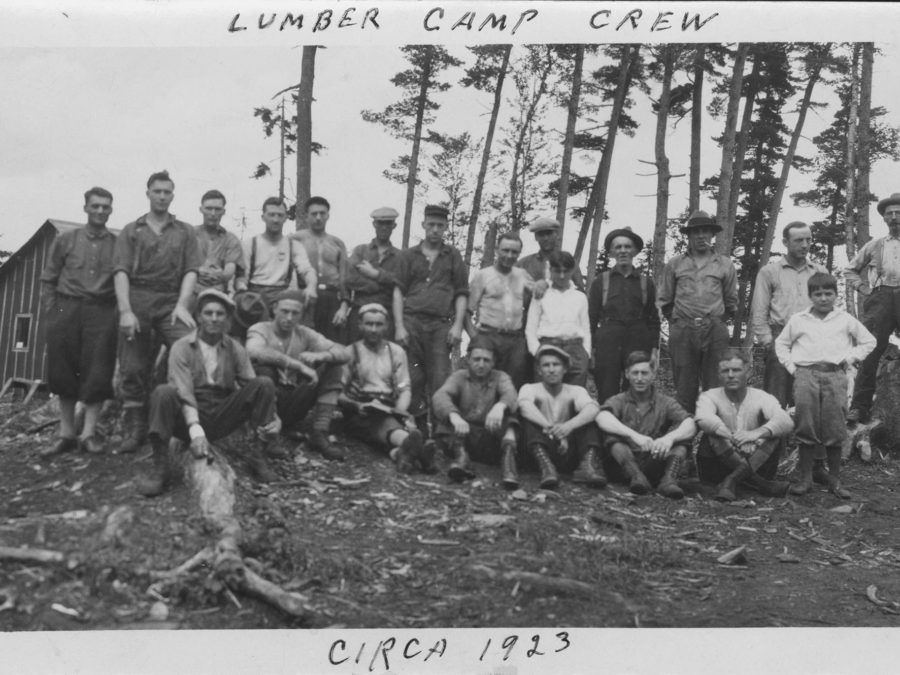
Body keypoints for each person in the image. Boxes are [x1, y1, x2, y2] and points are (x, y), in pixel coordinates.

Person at [140, 289, 280, 497]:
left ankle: (258, 454)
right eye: (208, 313)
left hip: (222, 412)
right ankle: (160, 467)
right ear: (198, 316)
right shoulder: (181, 347)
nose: (214, 319)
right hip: (190, 413)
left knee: (264, 383)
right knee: (163, 393)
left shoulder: (234, 348)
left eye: (220, 314)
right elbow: (184, 392)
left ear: (227, 319)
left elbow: (251, 385)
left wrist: (275, 418)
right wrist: (196, 432)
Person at [114, 170, 201, 455]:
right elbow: (121, 272)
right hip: (138, 297)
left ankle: (187, 420)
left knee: (188, 346)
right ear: (148, 193)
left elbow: (191, 271)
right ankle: (135, 424)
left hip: (170, 299)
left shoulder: (185, 231)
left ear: (173, 195)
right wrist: (126, 310)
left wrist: (181, 305)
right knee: (132, 365)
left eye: (167, 192)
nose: (162, 196)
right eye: (157, 191)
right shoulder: (132, 230)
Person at [775, 273, 876, 498]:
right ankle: (806, 478)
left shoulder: (845, 319)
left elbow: (869, 341)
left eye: (828, 293)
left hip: (835, 376)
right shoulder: (799, 319)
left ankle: (835, 480)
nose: (823, 298)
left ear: (835, 295)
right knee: (805, 425)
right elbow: (781, 344)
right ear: (810, 296)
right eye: (818, 294)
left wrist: (850, 358)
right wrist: (794, 369)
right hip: (806, 376)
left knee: (835, 425)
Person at [39, 187, 118, 457]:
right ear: (85, 208)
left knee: (98, 370)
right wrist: (53, 312)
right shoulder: (67, 239)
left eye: (105, 207)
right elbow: (49, 278)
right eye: (95, 206)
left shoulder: (117, 244)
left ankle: (88, 434)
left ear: (111, 210)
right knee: (63, 370)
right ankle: (66, 434)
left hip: (101, 311)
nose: (100, 211)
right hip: (66, 307)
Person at [244, 289, 350, 461]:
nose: (289, 317)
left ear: (301, 315)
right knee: (264, 370)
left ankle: (319, 431)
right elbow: (254, 351)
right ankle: (269, 435)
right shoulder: (260, 329)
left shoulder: (304, 333)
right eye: (285, 311)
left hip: (294, 400)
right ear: (274, 309)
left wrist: (322, 356)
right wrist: (299, 366)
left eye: (295, 313)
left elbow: (344, 353)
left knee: (333, 366)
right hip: (268, 402)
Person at [393, 204, 468, 429]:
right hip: (411, 321)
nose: (435, 230)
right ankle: (412, 428)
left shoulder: (452, 255)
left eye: (440, 226)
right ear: (424, 225)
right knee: (412, 377)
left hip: (439, 326)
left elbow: (462, 293)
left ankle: (441, 432)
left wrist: (457, 327)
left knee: (440, 378)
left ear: (446, 227)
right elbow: (398, 291)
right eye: (431, 225)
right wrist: (399, 326)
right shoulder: (408, 255)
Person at [658, 209, 738, 413]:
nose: (701, 236)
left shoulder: (725, 264)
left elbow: (731, 302)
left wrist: (715, 322)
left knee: (716, 386)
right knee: (684, 388)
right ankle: (684, 436)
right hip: (683, 329)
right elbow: (665, 300)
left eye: (705, 232)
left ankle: (712, 438)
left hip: (715, 330)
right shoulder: (675, 264)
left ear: (712, 235)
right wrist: (680, 322)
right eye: (696, 232)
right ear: (689, 236)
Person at [339, 303, 431, 474]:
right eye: (369, 324)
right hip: (359, 410)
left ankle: (402, 452)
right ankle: (415, 448)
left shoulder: (396, 352)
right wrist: (355, 405)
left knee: (387, 420)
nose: (374, 330)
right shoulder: (351, 352)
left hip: (388, 407)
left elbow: (405, 389)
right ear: (360, 325)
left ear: (387, 326)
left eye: (379, 324)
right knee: (378, 421)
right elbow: (337, 392)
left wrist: (399, 412)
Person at [695, 349, 794, 502]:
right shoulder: (709, 396)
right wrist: (733, 437)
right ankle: (758, 483)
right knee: (713, 432)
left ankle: (732, 480)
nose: (730, 375)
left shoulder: (762, 397)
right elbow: (703, 417)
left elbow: (785, 421)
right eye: (725, 371)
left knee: (774, 434)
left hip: (757, 462)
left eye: (736, 370)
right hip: (718, 466)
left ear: (748, 373)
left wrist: (755, 435)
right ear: (718, 375)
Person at [595, 351, 696, 499]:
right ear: (627, 374)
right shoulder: (619, 400)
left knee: (682, 438)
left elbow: (690, 423)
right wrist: (633, 435)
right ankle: (636, 476)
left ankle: (668, 481)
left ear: (652, 375)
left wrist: (669, 439)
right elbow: (602, 416)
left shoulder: (665, 402)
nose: (640, 378)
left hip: (653, 462)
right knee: (611, 435)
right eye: (635, 373)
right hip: (623, 465)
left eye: (644, 373)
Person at [751, 221, 826, 407]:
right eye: (799, 240)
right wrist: (768, 342)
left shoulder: (819, 271)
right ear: (785, 242)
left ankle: (807, 436)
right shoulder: (769, 272)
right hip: (781, 336)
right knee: (775, 401)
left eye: (808, 240)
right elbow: (759, 311)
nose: (805, 245)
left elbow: (829, 309)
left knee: (810, 399)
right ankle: (775, 436)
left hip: (812, 338)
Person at [432, 336, 521, 488]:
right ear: (468, 359)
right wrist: (454, 416)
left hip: (490, 436)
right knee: (446, 419)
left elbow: (511, 394)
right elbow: (440, 396)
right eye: (476, 359)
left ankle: (508, 467)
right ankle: (461, 459)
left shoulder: (500, 377)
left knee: (512, 418)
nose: (481, 365)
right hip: (464, 435)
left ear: (493, 362)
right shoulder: (459, 376)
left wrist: (500, 406)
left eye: (486, 360)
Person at [587, 227, 661, 404]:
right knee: (607, 389)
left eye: (627, 246)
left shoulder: (646, 283)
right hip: (608, 339)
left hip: (638, 338)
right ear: (611, 252)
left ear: (635, 251)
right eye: (618, 247)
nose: (623, 251)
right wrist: (590, 349)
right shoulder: (601, 281)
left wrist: (654, 350)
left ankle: (633, 428)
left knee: (636, 387)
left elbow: (653, 320)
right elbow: (590, 318)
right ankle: (608, 427)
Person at [844, 193, 900, 424]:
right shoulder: (874, 245)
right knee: (870, 352)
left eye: (899, 213)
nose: (895, 217)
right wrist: (864, 290)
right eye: (890, 214)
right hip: (881, 299)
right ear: (884, 218)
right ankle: (859, 408)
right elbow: (850, 270)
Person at [517, 344, 604, 490]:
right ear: (539, 370)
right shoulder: (530, 388)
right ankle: (546, 469)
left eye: (556, 364)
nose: (551, 369)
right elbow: (524, 407)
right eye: (546, 365)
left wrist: (567, 427)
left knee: (589, 420)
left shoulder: (576, 391)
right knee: (529, 421)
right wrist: (551, 428)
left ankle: (587, 466)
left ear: (564, 369)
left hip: (567, 452)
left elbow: (593, 408)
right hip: (536, 451)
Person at [466, 231, 533, 389]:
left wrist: (543, 285)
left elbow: (539, 293)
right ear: (497, 250)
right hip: (488, 336)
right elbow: (467, 311)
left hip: (515, 339)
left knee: (514, 382)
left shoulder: (522, 274)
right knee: (485, 382)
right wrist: (475, 337)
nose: (509, 255)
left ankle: (509, 413)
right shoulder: (482, 276)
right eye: (505, 250)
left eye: (514, 252)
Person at [234, 197, 316, 312]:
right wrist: (243, 292)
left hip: (281, 294)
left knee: (303, 303)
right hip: (254, 293)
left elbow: (307, 270)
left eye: (280, 215)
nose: (276, 220)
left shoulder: (294, 246)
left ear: (286, 218)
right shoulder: (250, 244)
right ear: (263, 217)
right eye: (271, 215)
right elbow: (242, 276)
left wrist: (311, 287)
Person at [525, 251, 591, 387]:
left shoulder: (580, 297)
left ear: (572, 270)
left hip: (576, 350)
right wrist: (537, 350)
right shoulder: (541, 294)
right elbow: (531, 327)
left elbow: (586, 328)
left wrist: (586, 354)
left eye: (566, 271)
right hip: (548, 347)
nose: (561, 276)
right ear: (550, 270)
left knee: (574, 396)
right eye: (557, 271)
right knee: (546, 395)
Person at [292, 196, 350, 342]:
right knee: (304, 342)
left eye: (322, 213)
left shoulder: (337, 243)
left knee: (332, 345)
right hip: (305, 297)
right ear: (306, 216)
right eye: (314, 214)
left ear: (328, 215)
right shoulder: (295, 239)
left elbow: (344, 279)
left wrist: (343, 307)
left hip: (331, 298)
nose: (318, 218)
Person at [345, 207, 402, 343]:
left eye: (388, 223)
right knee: (354, 355)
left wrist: (375, 274)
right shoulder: (361, 251)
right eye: (380, 223)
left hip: (386, 313)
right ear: (374, 225)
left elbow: (401, 282)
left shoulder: (400, 256)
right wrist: (383, 284)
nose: (383, 227)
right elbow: (350, 279)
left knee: (385, 358)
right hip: (359, 310)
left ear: (394, 226)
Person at [193, 190, 243, 297]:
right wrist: (198, 271)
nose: (213, 213)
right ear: (201, 210)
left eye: (217, 209)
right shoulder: (191, 235)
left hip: (219, 292)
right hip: (192, 289)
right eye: (209, 208)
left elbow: (229, 271)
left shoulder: (231, 239)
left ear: (223, 211)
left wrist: (218, 274)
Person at [517, 216, 584, 293]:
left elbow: (580, 292)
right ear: (536, 237)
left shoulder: (569, 262)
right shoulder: (524, 264)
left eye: (549, 234)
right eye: (541, 234)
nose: (545, 238)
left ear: (557, 235)